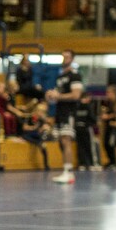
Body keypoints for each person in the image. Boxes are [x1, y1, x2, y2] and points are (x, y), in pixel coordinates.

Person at [45, 48, 84, 184]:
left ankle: (69, 172)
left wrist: (58, 96)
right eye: (62, 57)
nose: (64, 59)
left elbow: (76, 95)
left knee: (66, 140)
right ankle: (66, 170)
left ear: (72, 59)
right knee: (61, 142)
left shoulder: (75, 75)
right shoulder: (60, 77)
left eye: (67, 57)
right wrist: (51, 96)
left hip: (69, 112)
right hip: (60, 112)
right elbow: (58, 96)